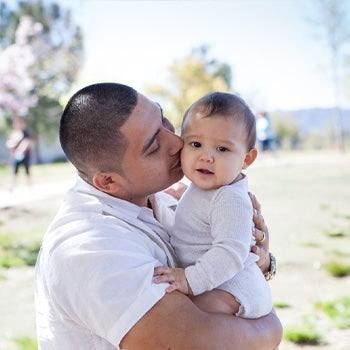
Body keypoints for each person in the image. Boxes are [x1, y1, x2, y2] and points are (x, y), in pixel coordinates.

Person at [35, 83, 282, 350]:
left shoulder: (166, 197)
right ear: (107, 181)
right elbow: (195, 342)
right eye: (154, 145)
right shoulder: (88, 247)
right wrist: (271, 328)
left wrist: (262, 261)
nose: (177, 142)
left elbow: (224, 255)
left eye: (164, 121)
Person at [154, 92, 272, 318]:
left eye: (222, 149)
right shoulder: (206, 190)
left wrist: (189, 280)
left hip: (235, 288)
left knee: (189, 317)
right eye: (196, 144)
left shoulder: (230, 199)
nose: (206, 156)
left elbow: (230, 253)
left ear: (247, 159)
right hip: (219, 283)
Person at [5, 117, 31, 190]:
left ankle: (29, 185)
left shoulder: (25, 133)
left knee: (27, 170)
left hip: (25, 155)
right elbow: (9, 143)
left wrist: (20, 150)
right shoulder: (14, 133)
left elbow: (26, 142)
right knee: (15, 171)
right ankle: (13, 186)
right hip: (17, 156)